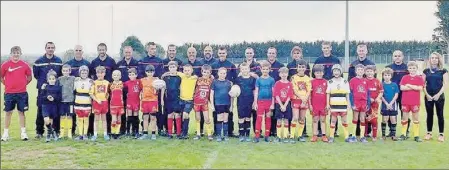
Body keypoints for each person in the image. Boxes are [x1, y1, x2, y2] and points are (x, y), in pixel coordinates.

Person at [0, 46, 32, 141]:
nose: (16, 54)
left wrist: (22, 84)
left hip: (22, 93)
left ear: (20, 54)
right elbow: (1, 77)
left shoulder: (25, 65)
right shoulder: (5, 65)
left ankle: (23, 133)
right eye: (14, 53)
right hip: (9, 93)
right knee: (8, 113)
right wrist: (7, 84)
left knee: (21, 112)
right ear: (11, 54)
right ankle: (5, 134)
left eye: (18, 53)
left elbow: (29, 77)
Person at [33, 42, 63, 139]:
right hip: (43, 90)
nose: (50, 49)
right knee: (41, 110)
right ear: (45, 48)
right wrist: (44, 85)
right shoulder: (38, 61)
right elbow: (36, 75)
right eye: (48, 47)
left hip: (55, 90)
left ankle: (56, 131)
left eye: (52, 48)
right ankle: (39, 132)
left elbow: (60, 74)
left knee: (55, 112)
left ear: (54, 49)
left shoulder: (58, 60)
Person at [347, 42, 376, 139]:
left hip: (366, 95)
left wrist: (372, 97)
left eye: (363, 50)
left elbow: (373, 80)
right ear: (357, 51)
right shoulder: (352, 65)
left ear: (366, 51)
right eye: (360, 50)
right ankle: (355, 133)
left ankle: (366, 133)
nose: (361, 52)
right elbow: (350, 80)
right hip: (356, 97)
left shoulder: (371, 64)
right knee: (355, 116)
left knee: (367, 115)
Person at [313, 41, 341, 137]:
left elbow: (339, 72)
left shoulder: (336, 60)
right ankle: (321, 130)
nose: (326, 49)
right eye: (324, 48)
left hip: (333, 87)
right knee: (321, 108)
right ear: (322, 48)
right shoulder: (318, 60)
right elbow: (314, 74)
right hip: (321, 87)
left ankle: (334, 130)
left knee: (333, 109)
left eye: (327, 47)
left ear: (330, 48)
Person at [89, 43, 117, 137]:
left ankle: (107, 132)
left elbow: (115, 75)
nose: (102, 51)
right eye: (100, 50)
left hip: (107, 91)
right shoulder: (94, 62)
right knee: (95, 117)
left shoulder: (111, 61)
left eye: (103, 49)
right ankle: (93, 133)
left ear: (106, 50)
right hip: (96, 94)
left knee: (107, 115)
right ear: (98, 50)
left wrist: (110, 90)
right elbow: (91, 76)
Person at [138, 42, 165, 136]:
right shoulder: (142, 61)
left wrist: (157, 84)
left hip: (155, 91)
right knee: (145, 115)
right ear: (147, 49)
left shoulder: (159, 61)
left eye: (154, 49)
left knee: (156, 113)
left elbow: (161, 74)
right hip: (146, 92)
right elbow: (140, 74)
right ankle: (144, 131)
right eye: (151, 49)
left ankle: (159, 130)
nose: (153, 50)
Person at [211, 47, 237, 137]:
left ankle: (230, 132)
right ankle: (216, 132)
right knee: (216, 114)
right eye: (220, 53)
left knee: (229, 114)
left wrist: (233, 87)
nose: (222, 54)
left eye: (223, 53)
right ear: (218, 54)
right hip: (218, 94)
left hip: (228, 94)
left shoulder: (231, 65)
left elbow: (235, 78)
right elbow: (211, 78)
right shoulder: (214, 65)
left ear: (226, 54)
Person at [423, 52, 448, 142]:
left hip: (439, 97)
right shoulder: (426, 71)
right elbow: (423, 84)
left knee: (440, 115)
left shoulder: (443, 71)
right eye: (432, 58)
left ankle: (441, 134)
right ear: (430, 59)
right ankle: (429, 133)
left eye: (436, 58)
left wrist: (438, 95)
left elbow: (445, 84)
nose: (434, 59)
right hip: (428, 96)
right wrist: (427, 94)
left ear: (439, 60)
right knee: (429, 115)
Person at [385, 50, 409, 138]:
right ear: (392, 57)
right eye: (395, 56)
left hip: (404, 94)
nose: (397, 57)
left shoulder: (407, 68)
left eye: (399, 56)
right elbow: (384, 81)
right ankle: (391, 131)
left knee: (404, 113)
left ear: (403, 57)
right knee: (391, 112)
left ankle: (405, 131)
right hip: (391, 95)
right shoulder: (388, 67)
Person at [399, 61, 424, 142]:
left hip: (415, 102)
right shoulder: (405, 77)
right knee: (404, 118)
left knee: (415, 118)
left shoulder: (419, 78)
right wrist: (414, 87)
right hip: (405, 101)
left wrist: (409, 85)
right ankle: (403, 134)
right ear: (408, 69)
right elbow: (402, 88)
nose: (412, 69)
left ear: (417, 69)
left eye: (414, 68)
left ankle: (416, 136)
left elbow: (420, 88)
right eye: (410, 68)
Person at [116, 46, 139, 136]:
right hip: (122, 91)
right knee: (123, 111)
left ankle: (135, 130)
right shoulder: (119, 64)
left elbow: (139, 77)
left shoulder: (136, 63)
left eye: (129, 52)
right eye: (126, 52)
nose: (127, 54)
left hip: (133, 93)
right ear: (123, 53)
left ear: (132, 52)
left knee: (134, 113)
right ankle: (123, 130)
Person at [327, 64, 351, 143]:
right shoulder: (330, 82)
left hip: (343, 104)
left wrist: (348, 104)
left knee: (344, 121)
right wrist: (328, 104)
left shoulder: (345, 81)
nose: (336, 72)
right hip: (334, 104)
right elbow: (328, 94)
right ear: (332, 72)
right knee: (333, 121)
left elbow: (347, 94)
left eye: (338, 70)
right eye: (334, 71)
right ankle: (331, 136)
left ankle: (347, 136)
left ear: (340, 72)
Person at [253, 61, 275, 143]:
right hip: (260, 101)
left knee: (268, 118)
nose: (265, 71)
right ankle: (257, 135)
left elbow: (273, 93)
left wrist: (272, 103)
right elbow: (256, 91)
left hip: (269, 102)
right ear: (261, 69)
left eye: (267, 69)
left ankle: (267, 135)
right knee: (259, 118)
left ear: (269, 70)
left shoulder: (272, 80)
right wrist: (255, 103)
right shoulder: (258, 80)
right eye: (263, 69)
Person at [290, 59, 311, 142]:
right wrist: (301, 98)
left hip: (304, 101)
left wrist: (304, 99)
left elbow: (309, 90)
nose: (301, 68)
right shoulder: (293, 78)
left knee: (302, 119)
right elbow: (294, 90)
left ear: (305, 68)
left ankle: (299, 135)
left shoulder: (307, 78)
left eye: (303, 67)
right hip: (296, 100)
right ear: (297, 68)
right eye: (299, 67)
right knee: (295, 117)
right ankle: (291, 136)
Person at [235, 63, 257, 142]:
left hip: (250, 101)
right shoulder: (238, 79)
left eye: (246, 68)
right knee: (241, 117)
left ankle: (247, 135)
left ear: (249, 69)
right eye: (243, 69)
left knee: (248, 117)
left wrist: (255, 101)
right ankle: (241, 134)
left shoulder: (252, 79)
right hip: (241, 101)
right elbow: (235, 89)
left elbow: (254, 91)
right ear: (240, 70)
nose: (245, 70)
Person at [210, 67, 233, 142]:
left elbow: (232, 95)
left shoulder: (229, 83)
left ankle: (225, 135)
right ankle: (219, 135)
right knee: (219, 119)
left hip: (227, 103)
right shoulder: (214, 82)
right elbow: (211, 94)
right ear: (218, 73)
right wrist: (212, 105)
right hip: (218, 103)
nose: (222, 75)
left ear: (226, 74)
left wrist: (231, 105)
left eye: (224, 73)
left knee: (225, 119)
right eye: (221, 73)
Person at [192, 65, 214, 141]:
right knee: (198, 118)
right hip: (196, 102)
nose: (206, 74)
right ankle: (198, 134)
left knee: (207, 118)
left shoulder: (211, 80)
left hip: (205, 103)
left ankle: (209, 134)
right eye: (204, 72)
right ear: (202, 72)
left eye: (207, 72)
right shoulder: (197, 79)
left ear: (210, 73)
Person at [349, 64, 370, 143]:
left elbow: (368, 94)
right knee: (355, 118)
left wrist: (368, 104)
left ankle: (362, 137)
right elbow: (350, 93)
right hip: (356, 102)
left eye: (361, 70)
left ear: (364, 71)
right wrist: (352, 104)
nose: (360, 71)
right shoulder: (352, 80)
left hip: (363, 102)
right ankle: (354, 136)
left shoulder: (366, 81)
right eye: (358, 70)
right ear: (356, 71)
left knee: (362, 119)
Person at [267, 47, 285, 137]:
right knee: (268, 112)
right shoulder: (264, 65)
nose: (271, 55)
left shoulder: (280, 65)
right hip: (266, 92)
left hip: (278, 94)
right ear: (267, 54)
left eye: (273, 53)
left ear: (276, 54)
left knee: (275, 112)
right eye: (270, 53)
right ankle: (268, 130)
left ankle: (275, 131)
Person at [161, 61, 182, 139]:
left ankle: (178, 133)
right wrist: (162, 99)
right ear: (168, 68)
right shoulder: (165, 78)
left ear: (177, 68)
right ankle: (169, 133)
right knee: (169, 115)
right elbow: (163, 88)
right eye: (170, 67)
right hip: (169, 99)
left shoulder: (179, 77)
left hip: (177, 98)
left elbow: (181, 88)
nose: (172, 68)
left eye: (174, 67)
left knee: (177, 115)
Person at [40, 71, 62, 142]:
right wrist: (47, 97)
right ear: (47, 80)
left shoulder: (58, 88)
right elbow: (41, 97)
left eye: (53, 79)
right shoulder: (45, 87)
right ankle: (52, 131)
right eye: (50, 79)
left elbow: (59, 98)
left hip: (53, 106)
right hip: (46, 106)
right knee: (46, 119)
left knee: (51, 120)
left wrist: (54, 98)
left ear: (56, 79)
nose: (52, 80)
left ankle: (49, 134)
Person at [139, 65, 160, 140]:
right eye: (148, 72)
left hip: (153, 100)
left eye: (151, 72)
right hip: (145, 101)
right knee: (145, 117)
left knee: (153, 117)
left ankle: (153, 133)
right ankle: (145, 133)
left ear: (154, 72)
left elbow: (160, 88)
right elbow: (140, 89)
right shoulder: (142, 80)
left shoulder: (156, 80)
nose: (149, 73)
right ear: (145, 72)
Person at [273, 67, 294, 143]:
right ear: (279, 74)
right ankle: (278, 136)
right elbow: (276, 95)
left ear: (288, 74)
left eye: (285, 73)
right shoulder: (277, 83)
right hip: (279, 103)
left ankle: (285, 136)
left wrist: (285, 105)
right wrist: (281, 105)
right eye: (282, 73)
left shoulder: (290, 84)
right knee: (278, 120)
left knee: (286, 120)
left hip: (287, 104)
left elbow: (289, 96)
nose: (284, 74)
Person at [89, 66, 110, 141]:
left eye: (102, 73)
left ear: (104, 73)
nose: (100, 74)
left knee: (104, 119)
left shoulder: (107, 82)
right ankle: (95, 134)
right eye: (98, 73)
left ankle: (105, 134)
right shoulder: (94, 82)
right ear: (96, 74)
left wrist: (107, 97)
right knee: (96, 119)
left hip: (104, 103)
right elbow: (91, 94)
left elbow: (108, 92)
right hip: (96, 103)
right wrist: (97, 100)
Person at [309, 64, 329, 143]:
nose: (319, 74)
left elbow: (328, 94)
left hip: (323, 104)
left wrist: (327, 104)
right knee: (315, 120)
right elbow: (309, 95)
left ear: (323, 73)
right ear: (314, 73)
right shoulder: (311, 82)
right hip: (314, 105)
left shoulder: (326, 82)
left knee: (323, 120)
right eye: (317, 72)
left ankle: (324, 135)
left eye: (320, 72)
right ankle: (314, 135)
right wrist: (310, 104)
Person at [73, 66, 93, 140]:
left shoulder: (90, 81)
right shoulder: (76, 81)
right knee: (80, 119)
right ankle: (80, 134)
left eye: (85, 72)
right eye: (82, 72)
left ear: (87, 73)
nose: (84, 74)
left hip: (87, 103)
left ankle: (85, 134)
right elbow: (73, 90)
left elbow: (92, 92)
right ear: (80, 73)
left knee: (86, 119)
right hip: (78, 103)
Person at [364, 65, 383, 141]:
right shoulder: (363, 81)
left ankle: (374, 136)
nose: (369, 73)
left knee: (374, 120)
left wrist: (378, 98)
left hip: (375, 104)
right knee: (365, 119)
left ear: (374, 72)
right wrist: (368, 99)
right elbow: (362, 92)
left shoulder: (377, 81)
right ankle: (364, 134)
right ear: (365, 72)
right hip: (365, 104)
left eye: (371, 71)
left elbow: (381, 92)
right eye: (367, 71)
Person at [380, 68, 399, 141]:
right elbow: (381, 95)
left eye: (388, 75)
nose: (387, 76)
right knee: (385, 119)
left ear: (391, 76)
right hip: (385, 105)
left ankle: (393, 135)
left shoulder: (394, 85)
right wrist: (387, 104)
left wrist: (391, 104)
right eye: (385, 75)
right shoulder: (381, 84)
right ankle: (383, 135)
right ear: (383, 76)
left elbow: (396, 95)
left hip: (393, 105)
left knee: (393, 119)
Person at [123, 68, 142, 139]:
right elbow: (120, 85)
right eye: (130, 75)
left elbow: (144, 88)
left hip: (136, 101)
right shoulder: (127, 82)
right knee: (129, 116)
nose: (131, 76)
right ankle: (128, 131)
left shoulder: (139, 81)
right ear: (128, 76)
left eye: (133, 74)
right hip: (129, 101)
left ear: (136, 75)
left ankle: (136, 131)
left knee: (136, 116)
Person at [57, 64, 75, 139]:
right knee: (63, 116)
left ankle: (69, 132)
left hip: (70, 101)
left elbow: (82, 79)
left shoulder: (73, 78)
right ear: (62, 71)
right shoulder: (59, 79)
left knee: (70, 116)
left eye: (67, 71)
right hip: (62, 101)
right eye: (64, 71)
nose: (65, 72)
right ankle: (62, 132)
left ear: (70, 71)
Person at [109, 70, 124, 139]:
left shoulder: (122, 84)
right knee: (114, 119)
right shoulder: (110, 84)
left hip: (120, 104)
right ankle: (113, 132)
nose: (116, 76)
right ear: (112, 76)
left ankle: (117, 133)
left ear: (120, 76)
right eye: (114, 75)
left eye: (118, 75)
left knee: (119, 119)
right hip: (113, 104)